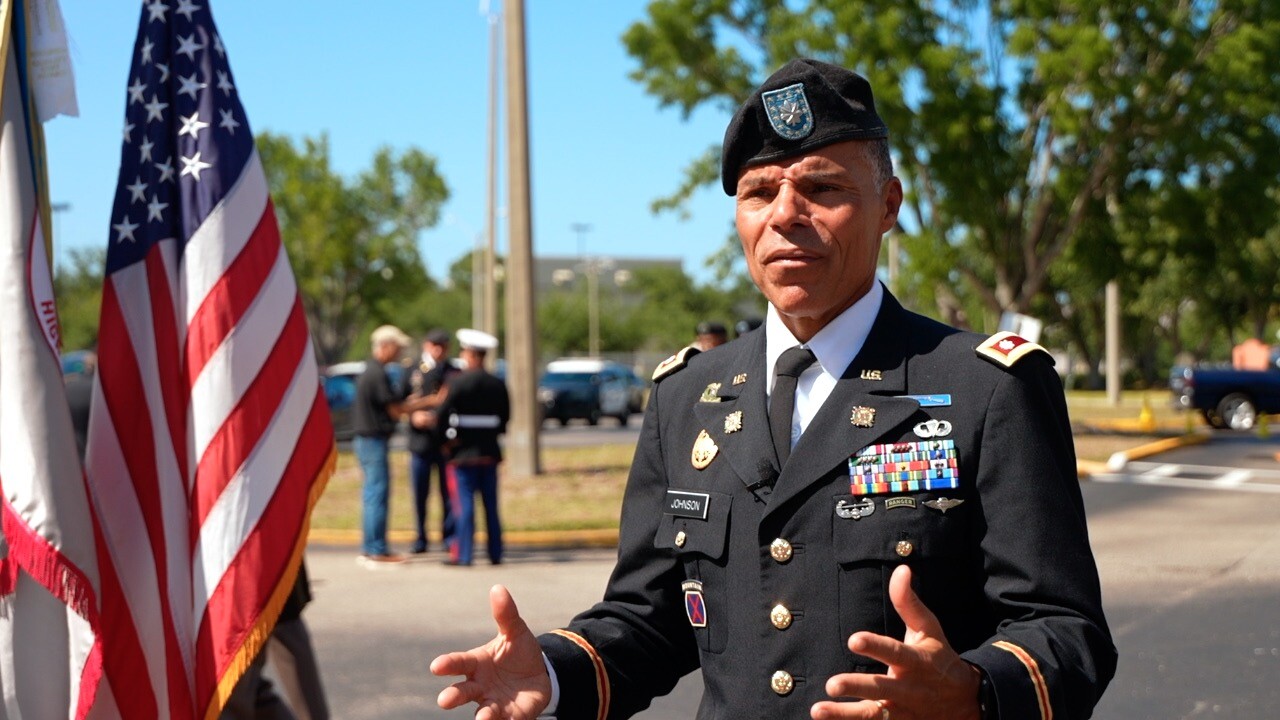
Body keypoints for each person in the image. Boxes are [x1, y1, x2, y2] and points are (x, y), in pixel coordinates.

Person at [431, 58, 1115, 719]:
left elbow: (1063, 628)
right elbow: (650, 617)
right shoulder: (687, 395)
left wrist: (972, 692)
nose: (785, 214)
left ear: (888, 205)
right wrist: (552, 671)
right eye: (759, 193)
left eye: (822, 188)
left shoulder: (984, 387)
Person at [435, 329, 509, 567]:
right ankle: (495, 553)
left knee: (464, 506)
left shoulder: (457, 383)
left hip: (463, 454)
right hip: (489, 452)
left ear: (469, 354)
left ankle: (464, 554)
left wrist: (446, 443)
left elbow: (442, 415)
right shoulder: (497, 384)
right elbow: (505, 417)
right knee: (491, 506)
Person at [352, 324, 417, 566]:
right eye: (397, 347)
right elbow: (395, 410)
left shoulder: (369, 370)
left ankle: (371, 547)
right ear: (385, 346)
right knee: (377, 495)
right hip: (373, 440)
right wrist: (429, 401)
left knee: (371, 495)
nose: (399, 352)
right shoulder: (377, 373)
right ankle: (377, 549)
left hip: (367, 440)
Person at [406, 328, 459, 554]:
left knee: (447, 493)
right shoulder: (412, 370)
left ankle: (448, 536)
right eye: (434, 345)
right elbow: (400, 401)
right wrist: (413, 416)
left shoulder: (454, 372)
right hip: (420, 442)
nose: (438, 351)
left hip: (444, 441)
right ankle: (420, 536)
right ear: (426, 346)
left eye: (442, 346)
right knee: (420, 493)